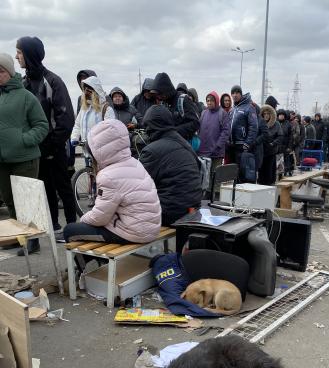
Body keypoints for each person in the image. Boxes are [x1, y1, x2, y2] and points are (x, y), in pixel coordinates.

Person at [63, 119, 161, 264]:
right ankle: (96, 264)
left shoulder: (108, 175)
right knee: (91, 228)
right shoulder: (135, 162)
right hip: (150, 227)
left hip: (134, 232)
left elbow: (99, 218)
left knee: (70, 231)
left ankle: (85, 271)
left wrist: (83, 219)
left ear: (99, 150)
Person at [15, 36, 77, 247]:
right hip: (33, 150)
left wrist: (51, 145)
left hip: (54, 148)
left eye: (20, 52)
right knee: (42, 190)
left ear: (30, 54)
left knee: (63, 187)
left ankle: (72, 229)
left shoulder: (53, 81)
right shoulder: (22, 84)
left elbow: (66, 118)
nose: (16, 56)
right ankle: (51, 229)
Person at [0, 53, 48, 232]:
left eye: (1, 71)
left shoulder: (26, 96)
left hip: (25, 159)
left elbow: (42, 125)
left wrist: (24, 139)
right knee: (9, 199)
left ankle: (32, 238)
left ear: (10, 72)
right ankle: (17, 234)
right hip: (2, 161)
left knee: (26, 200)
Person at [140, 105, 202, 226]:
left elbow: (138, 186)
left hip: (170, 212)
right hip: (193, 207)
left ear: (149, 126)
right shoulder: (185, 143)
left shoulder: (151, 151)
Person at [150, 73, 200, 141]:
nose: (158, 97)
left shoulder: (183, 100)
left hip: (186, 144)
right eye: (156, 95)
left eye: (159, 94)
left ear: (165, 90)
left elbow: (195, 123)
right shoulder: (164, 103)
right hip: (173, 142)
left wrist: (174, 131)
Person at [198, 91, 230, 193]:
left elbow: (226, 131)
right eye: (207, 100)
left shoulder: (222, 113)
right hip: (203, 152)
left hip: (216, 152)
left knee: (215, 176)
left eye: (211, 100)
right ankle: (205, 197)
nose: (209, 103)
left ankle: (215, 197)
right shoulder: (203, 113)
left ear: (216, 101)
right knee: (204, 177)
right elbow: (199, 129)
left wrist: (218, 145)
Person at [71, 76, 115, 144]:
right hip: (86, 151)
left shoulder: (106, 109)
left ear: (96, 91)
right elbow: (77, 125)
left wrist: (96, 142)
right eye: (85, 89)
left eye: (89, 90)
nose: (86, 92)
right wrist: (74, 138)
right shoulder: (84, 109)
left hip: (101, 150)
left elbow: (110, 130)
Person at [225, 85, 258, 179]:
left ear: (241, 94)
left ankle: (241, 192)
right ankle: (232, 192)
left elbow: (254, 126)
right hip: (231, 146)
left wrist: (247, 143)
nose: (235, 95)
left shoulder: (249, 107)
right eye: (233, 93)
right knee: (231, 173)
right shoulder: (233, 109)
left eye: (237, 93)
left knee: (242, 173)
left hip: (242, 146)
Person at [257, 105, 282, 185]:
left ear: (271, 115)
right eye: (264, 113)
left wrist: (273, 143)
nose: (266, 115)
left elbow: (280, 136)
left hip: (271, 151)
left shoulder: (276, 124)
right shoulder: (260, 123)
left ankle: (269, 184)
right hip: (261, 150)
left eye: (268, 113)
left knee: (269, 170)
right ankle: (261, 184)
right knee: (261, 169)